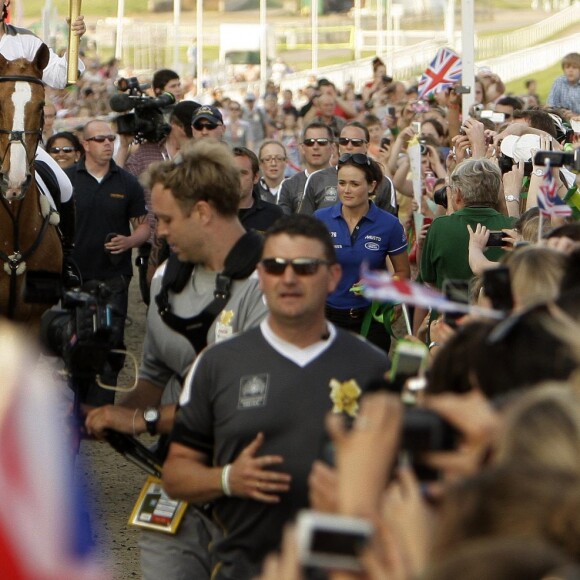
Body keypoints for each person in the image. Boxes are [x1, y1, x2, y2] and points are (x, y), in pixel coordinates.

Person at [162, 214, 390, 579]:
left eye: (304, 267)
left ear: (332, 277)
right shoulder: (217, 364)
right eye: (275, 266)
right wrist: (227, 479)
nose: (288, 278)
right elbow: (175, 475)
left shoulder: (373, 368)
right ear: (261, 275)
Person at [85, 139, 269, 580]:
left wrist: (141, 421)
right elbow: (155, 373)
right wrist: (102, 414)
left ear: (203, 212)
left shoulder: (270, 284)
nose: (159, 231)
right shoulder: (169, 277)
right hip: (174, 475)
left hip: (248, 484)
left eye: (166, 219)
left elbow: (245, 403)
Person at [66, 119, 150, 405]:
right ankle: (79, 404)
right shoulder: (67, 181)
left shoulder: (127, 182)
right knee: (76, 341)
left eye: (110, 139)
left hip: (114, 278)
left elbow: (143, 227)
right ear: (85, 145)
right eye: (99, 139)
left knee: (110, 341)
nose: (107, 144)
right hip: (75, 277)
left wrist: (129, 241)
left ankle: (102, 409)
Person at [315, 153, 410, 352]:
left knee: (371, 380)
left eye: (354, 184)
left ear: (372, 186)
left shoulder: (389, 224)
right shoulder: (320, 219)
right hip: (326, 318)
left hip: (370, 319)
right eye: (341, 183)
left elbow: (403, 273)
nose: (346, 190)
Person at [420, 159, 514, 289]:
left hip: (450, 307)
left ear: (457, 194)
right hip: (498, 308)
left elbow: (429, 279)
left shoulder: (439, 227)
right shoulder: (514, 228)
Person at [299, 121, 397, 216]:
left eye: (356, 143)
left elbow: (390, 225)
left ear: (366, 146)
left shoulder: (383, 182)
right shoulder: (316, 179)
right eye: (344, 141)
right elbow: (305, 223)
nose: (349, 146)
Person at [278, 122, 334, 215]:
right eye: (310, 142)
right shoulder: (289, 185)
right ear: (303, 148)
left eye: (322, 142)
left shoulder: (343, 180)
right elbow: (284, 224)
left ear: (332, 147)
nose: (315, 147)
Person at [233, 146, 284, 233]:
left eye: (242, 173)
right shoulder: (213, 213)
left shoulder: (273, 214)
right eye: (231, 172)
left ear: (256, 177)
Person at [255, 140, 287, 205]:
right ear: (260, 164)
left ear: (286, 162)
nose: (273, 163)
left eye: (279, 158)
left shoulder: (294, 189)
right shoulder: (253, 191)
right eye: (267, 159)